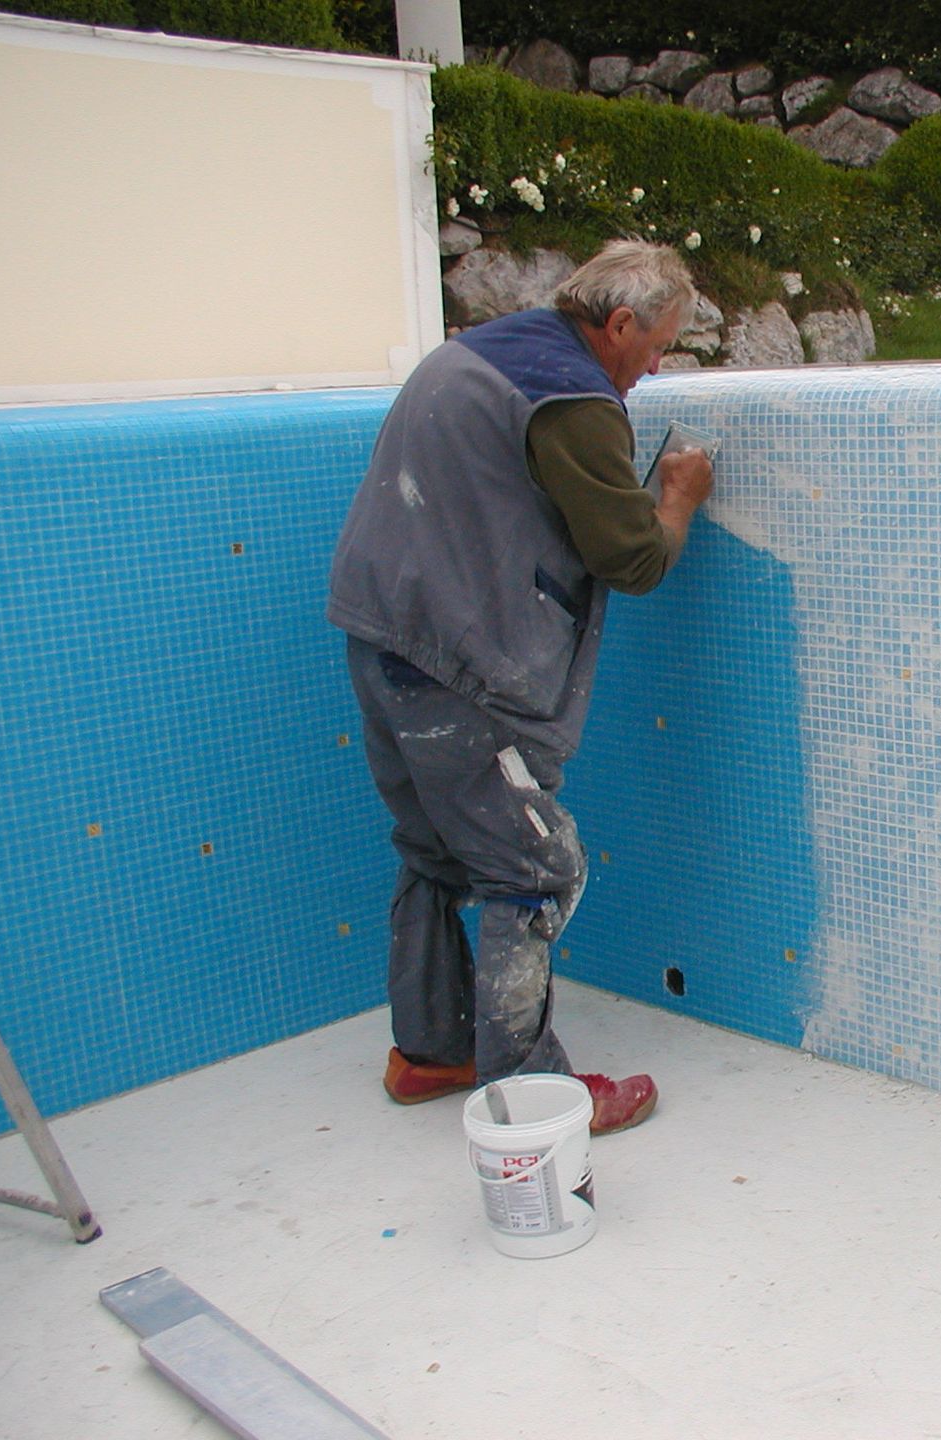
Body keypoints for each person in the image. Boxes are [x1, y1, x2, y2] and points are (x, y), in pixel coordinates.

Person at [327, 239, 714, 1134]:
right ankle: (529, 1094)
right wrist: (679, 496)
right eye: (655, 346)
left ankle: (432, 1053)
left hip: (381, 632)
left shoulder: (481, 350)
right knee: (537, 867)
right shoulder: (573, 398)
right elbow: (630, 559)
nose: (655, 369)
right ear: (616, 324)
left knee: (433, 849)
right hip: (459, 661)